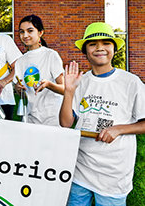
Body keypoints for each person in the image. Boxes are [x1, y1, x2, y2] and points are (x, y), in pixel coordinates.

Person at [59, 22, 145, 206]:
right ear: (85, 50)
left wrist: (119, 129)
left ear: (114, 48)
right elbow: (66, 123)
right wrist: (69, 91)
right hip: (80, 169)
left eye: (106, 43)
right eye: (92, 44)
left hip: (114, 174)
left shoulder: (131, 82)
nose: (99, 48)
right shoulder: (81, 81)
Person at [13, 15, 65, 126]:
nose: (25, 35)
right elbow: (23, 93)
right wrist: (18, 89)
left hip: (53, 118)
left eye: (30, 31)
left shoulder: (51, 55)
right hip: (31, 118)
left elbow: (64, 89)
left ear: (40, 32)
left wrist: (49, 85)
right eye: (22, 32)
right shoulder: (20, 61)